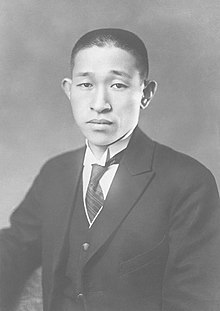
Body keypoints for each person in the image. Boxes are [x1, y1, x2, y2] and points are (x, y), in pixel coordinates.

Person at [1, 28, 220, 311]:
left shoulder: (189, 182)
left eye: (117, 85)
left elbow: (195, 300)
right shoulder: (54, 173)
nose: (99, 105)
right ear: (68, 90)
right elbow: (15, 248)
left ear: (146, 93)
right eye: (86, 85)